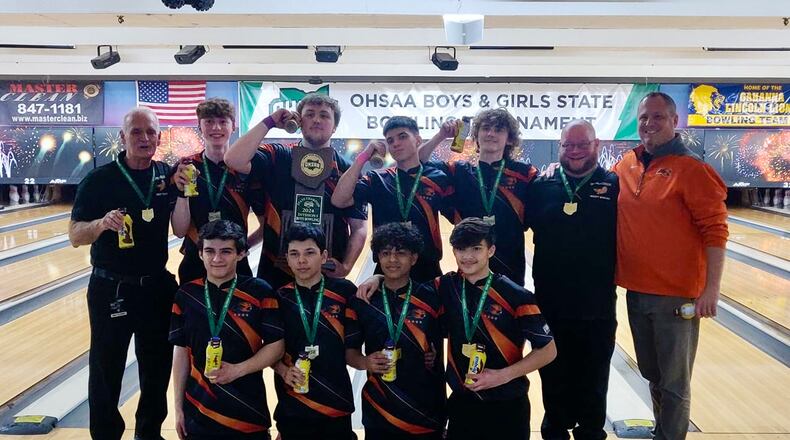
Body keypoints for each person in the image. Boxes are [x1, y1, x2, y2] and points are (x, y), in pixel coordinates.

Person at [359, 217, 556, 440]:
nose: (468, 256)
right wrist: (377, 277)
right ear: (453, 251)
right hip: (463, 403)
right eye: (461, 249)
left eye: (476, 248)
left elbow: (548, 350)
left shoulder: (516, 296)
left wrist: (503, 375)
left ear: (490, 250)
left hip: (507, 405)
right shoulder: (444, 287)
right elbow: (402, 288)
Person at [614, 92, 728, 440]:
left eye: (658, 117)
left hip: (678, 297)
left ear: (674, 121)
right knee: (652, 373)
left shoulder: (694, 169)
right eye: (644, 117)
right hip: (636, 290)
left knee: (675, 382)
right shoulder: (627, 163)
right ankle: (663, 431)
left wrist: (711, 290)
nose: (649, 124)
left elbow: (716, 230)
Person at [68, 107, 182, 440]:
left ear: (159, 138)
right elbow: (75, 235)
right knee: (106, 368)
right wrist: (101, 224)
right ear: (122, 137)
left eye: (151, 133)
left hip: (156, 287)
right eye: (136, 132)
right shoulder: (99, 180)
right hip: (110, 288)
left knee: (156, 367)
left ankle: (148, 433)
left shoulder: (167, 176)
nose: (145, 138)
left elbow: (182, 221)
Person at [524, 119, 618, 440]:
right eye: (569, 145)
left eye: (583, 144)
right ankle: (555, 430)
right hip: (551, 303)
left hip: (598, 306)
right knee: (553, 376)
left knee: (594, 380)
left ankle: (592, 432)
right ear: (560, 147)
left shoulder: (614, 185)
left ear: (597, 145)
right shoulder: (542, 186)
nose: (575, 151)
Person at [224, 93, 367, 289]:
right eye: (309, 114)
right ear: (299, 121)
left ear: (334, 127)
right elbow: (233, 159)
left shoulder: (349, 172)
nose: (316, 120)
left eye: (324, 115)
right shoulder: (277, 156)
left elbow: (358, 227)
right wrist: (271, 121)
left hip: (326, 272)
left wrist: (347, 266)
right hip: (275, 272)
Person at [170, 220, 284, 440]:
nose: (217, 259)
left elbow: (276, 346)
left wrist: (237, 370)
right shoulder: (186, 295)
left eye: (226, 251)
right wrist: (178, 409)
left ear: (241, 254)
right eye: (210, 251)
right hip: (198, 413)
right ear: (200, 254)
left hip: (248, 415)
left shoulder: (260, 292)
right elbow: (181, 352)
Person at [345, 222, 446, 439]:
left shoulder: (432, 296)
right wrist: (365, 362)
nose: (392, 260)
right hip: (380, 407)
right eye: (386, 253)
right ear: (378, 258)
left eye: (400, 253)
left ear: (414, 258)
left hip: (425, 408)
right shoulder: (363, 301)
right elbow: (349, 352)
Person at [418, 108, 538, 286]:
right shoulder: (458, 171)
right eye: (485, 128)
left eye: (498, 129)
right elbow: (418, 160)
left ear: (510, 139)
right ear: (475, 136)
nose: (490, 133)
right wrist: (441, 135)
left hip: (510, 261)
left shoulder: (525, 173)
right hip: (469, 259)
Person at [332, 116, 454, 283]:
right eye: (390, 140)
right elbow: (339, 200)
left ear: (418, 140)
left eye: (402, 136)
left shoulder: (438, 178)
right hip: (386, 267)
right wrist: (363, 157)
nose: (395, 143)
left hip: (427, 267)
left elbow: (457, 217)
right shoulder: (377, 178)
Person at [272, 223, 358, 439]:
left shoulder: (346, 292)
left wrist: (379, 278)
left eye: (309, 253)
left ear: (324, 255)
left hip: (336, 402)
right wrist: (283, 371)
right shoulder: (278, 298)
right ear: (287, 258)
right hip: (293, 404)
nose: (301, 260)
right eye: (294, 254)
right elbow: (267, 350)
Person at [171, 97, 265, 284]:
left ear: (234, 127)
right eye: (209, 122)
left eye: (223, 122)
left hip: (237, 263)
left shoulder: (246, 168)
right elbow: (180, 231)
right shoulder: (185, 167)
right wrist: (182, 193)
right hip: (194, 261)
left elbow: (264, 224)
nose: (216, 128)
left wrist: (243, 247)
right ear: (200, 126)